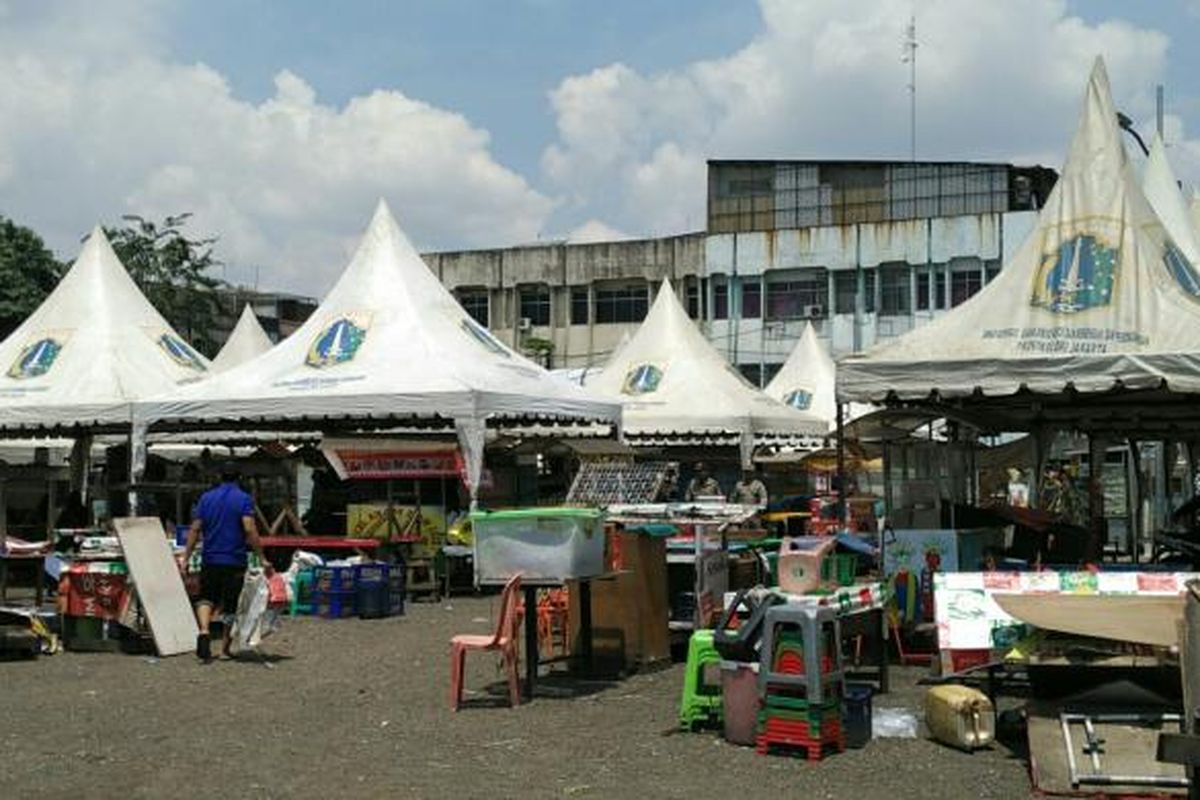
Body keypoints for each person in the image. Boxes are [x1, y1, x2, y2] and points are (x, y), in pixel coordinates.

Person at [181, 465, 272, 662]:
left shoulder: (206, 498)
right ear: (239, 478)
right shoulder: (243, 498)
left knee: (206, 597)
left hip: (210, 558)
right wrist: (261, 555)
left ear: (219, 477)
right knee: (230, 605)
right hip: (234, 559)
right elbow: (249, 528)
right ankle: (224, 650)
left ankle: (204, 630)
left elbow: (195, 529)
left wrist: (186, 557)